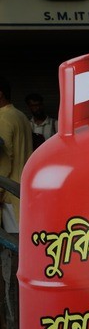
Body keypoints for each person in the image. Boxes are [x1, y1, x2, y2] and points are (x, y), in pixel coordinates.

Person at [0, 77, 33, 232]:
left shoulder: (3, 118)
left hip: (9, 193)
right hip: (25, 187)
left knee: (14, 243)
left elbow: (5, 162)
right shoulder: (21, 115)